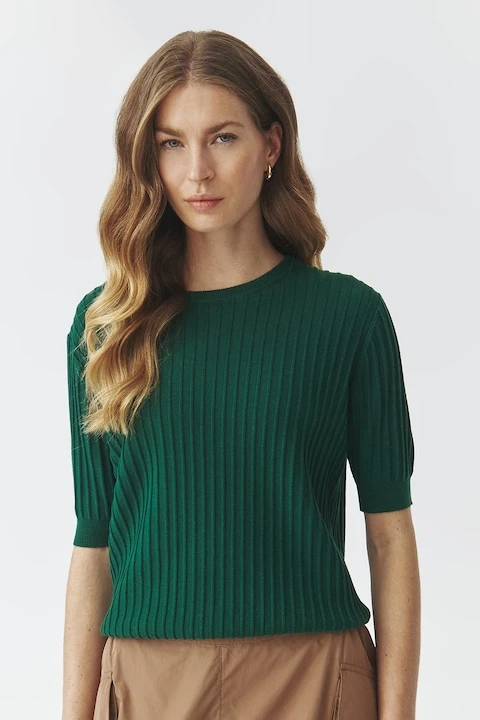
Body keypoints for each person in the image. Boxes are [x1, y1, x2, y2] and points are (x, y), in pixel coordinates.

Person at [62, 29, 421, 720]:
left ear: (271, 145)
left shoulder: (348, 318)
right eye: (171, 143)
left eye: (222, 138)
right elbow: (93, 544)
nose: (197, 170)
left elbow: (389, 534)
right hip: (149, 679)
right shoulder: (106, 327)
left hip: (312, 674)